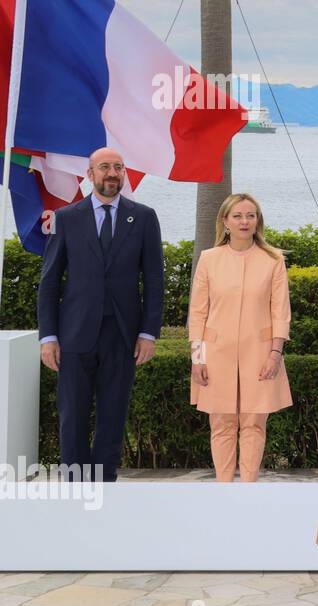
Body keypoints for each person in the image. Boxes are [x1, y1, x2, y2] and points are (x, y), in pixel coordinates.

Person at [37, 147, 164, 481]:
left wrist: (149, 333)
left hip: (122, 335)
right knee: (73, 415)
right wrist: (48, 337)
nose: (112, 173)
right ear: (90, 174)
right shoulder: (67, 218)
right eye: (105, 167)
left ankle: (105, 484)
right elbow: (50, 282)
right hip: (75, 334)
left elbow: (154, 280)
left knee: (112, 413)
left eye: (118, 167)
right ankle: (76, 487)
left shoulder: (144, 217)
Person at [188, 193, 293, 482]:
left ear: (258, 220)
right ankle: (224, 489)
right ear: (225, 221)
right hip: (215, 354)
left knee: (254, 425)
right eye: (237, 216)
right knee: (221, 424)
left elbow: (280, 312)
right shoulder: (209, 260)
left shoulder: (273, 260)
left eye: (250, 215)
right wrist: (197, 358)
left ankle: (248, 488)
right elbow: (197, 313)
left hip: (259, 354)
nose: (245, 221)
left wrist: (275, 354)